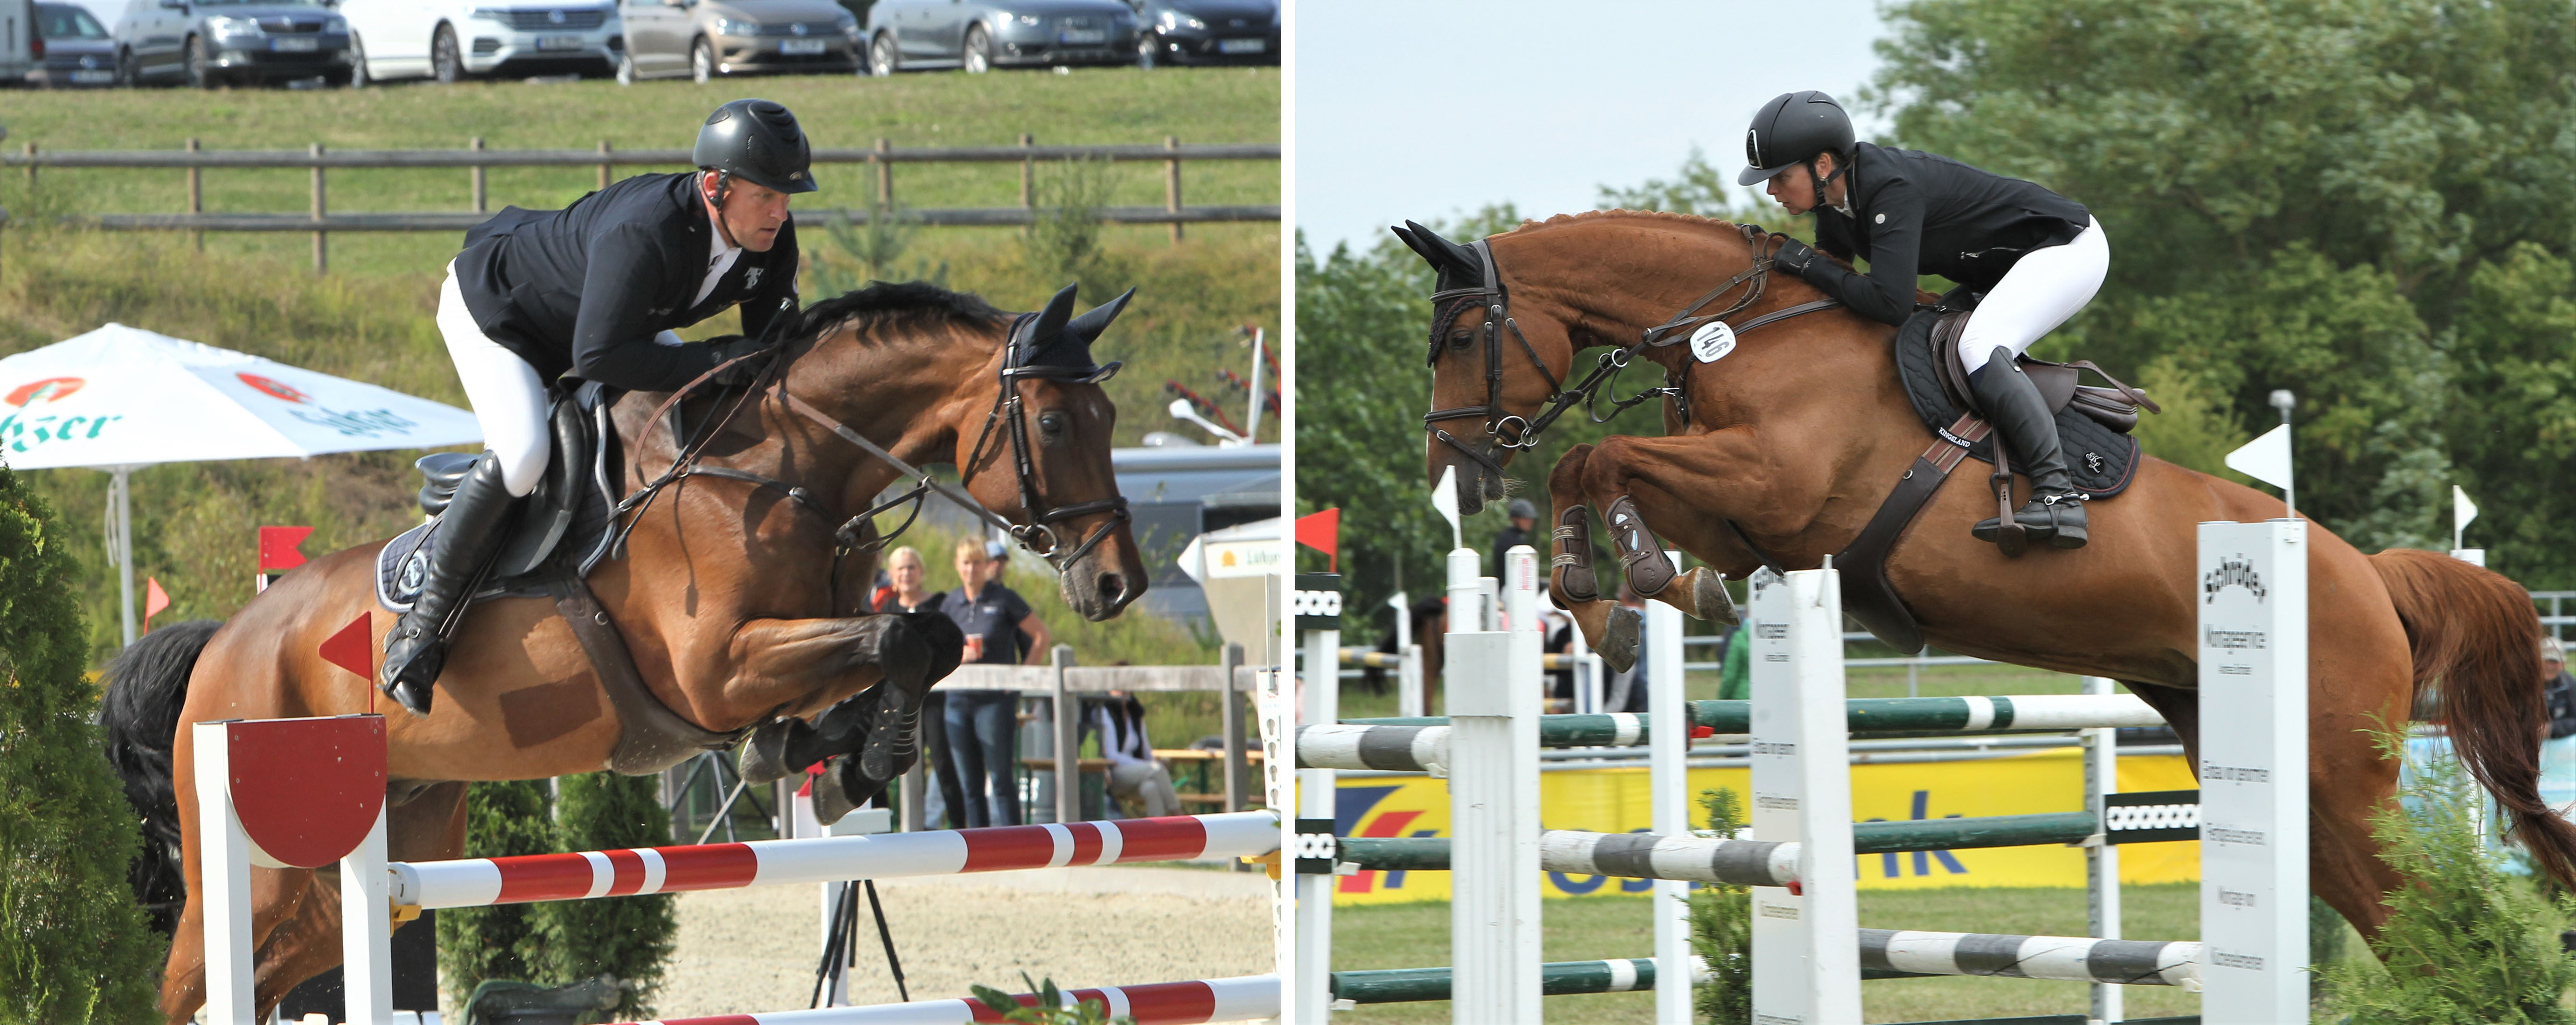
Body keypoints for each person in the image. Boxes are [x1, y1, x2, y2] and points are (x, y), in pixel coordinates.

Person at [383, 98, 815, 713]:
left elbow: (774, 348)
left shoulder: (769, 237)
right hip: (503, 315)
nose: (779, 211)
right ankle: (421, 629)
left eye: (787, 197)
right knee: (525, 454)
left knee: (691, 414)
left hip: (611, 325)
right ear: (716, 186)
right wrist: (717, 356)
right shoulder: (647, 230)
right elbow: (600, 357)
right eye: (766, 196)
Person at [1741, 90, 2104, 549]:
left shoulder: (1890, 187)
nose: (1772, 191)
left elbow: (1887, 301)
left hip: (2068, 248)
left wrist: (1809, 265)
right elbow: (1830, 286)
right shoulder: (1835, 206)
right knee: (1932, 339)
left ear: (1825, 164)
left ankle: (2059, 495)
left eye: (1780, 176)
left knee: (1978, 345)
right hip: (2003, 267)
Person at [943, 538, 1052, 827]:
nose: (971, 570)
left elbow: (1041, 636)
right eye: (966, 563)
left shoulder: (1003, 599)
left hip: (994, 701)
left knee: (1001, 778)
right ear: (957, 566)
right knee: (970, 783)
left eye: (977, 563)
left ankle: (1016, 844)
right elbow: (937, 649)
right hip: (957, 699)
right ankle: (979, 847)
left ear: (987, 566)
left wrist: (1021, 679)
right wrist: (959, 655)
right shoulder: (951, 602)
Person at [874, 546, 970, 828]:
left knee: (942, 759)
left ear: (922, 572)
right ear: (892, 576)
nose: (906, 573)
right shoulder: (887, 611)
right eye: (900, 569)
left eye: (911, 567)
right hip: (897, 698)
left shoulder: (940, 604)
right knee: (884, 759)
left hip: (933, 695)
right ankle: (886, 829)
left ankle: (961, 830)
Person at [1089, 690, 1180, 818]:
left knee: (1151, 788)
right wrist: (1149, 765)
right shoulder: (1105, 712)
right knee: (1157, 770)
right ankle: (1179, 816)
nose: (1123, 689)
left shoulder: (1135, 713)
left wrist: (1153, 761)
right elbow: (1112, 755)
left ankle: (1159, 834)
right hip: (1113, 773)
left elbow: (1146, 751)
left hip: (1137, 772)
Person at [1493, 498, 1537, 578]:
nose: (1530, 522)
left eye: (1531, 519)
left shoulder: (1517, 537)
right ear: (1515, 519)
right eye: (1526, 519)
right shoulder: (1509, 540)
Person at [2544, 637, 2575, 740]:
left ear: (2563, 663)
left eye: (2554, 662)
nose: (2550, 666)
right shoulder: (2524, 686)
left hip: (2562, 743)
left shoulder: (2570, 684)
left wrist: (2551, 729)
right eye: (2546, 661)